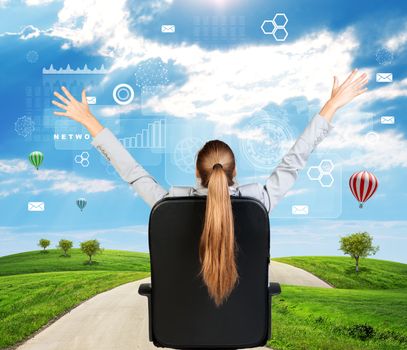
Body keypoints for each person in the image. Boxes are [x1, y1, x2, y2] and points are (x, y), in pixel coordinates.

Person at [52, 69, 368, 306]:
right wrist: (332, 105)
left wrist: (90, 121)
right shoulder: (258, 201)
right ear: (235, 173)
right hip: (245, 328)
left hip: (179, 329)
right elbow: (296, 159)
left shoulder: (168, 205)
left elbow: (131, 172)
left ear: (196, 172)